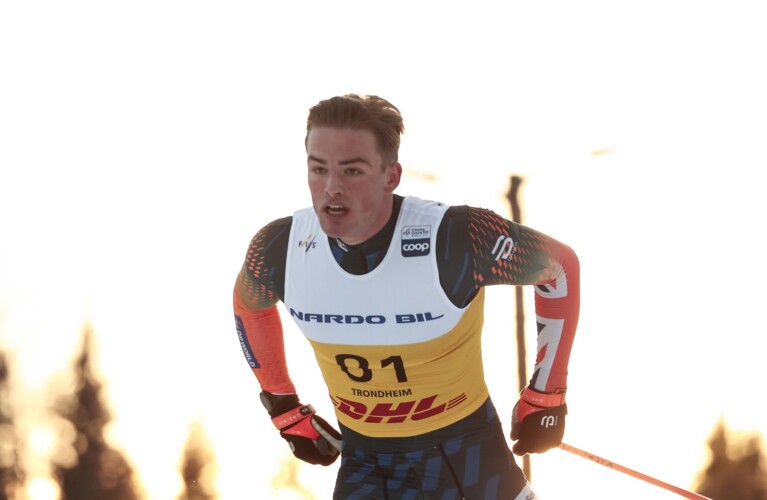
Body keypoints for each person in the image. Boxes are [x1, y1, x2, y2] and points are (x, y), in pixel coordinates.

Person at [233, 94, 580, 499]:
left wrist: (547, 394)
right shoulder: (279, 248)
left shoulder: (456, 237)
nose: (331, 188)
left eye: (352, 170)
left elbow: (558, 267)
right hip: (368, 467)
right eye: (318, 169)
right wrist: (284, 410)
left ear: (390, 175)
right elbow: (249, 308)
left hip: (469, 461)